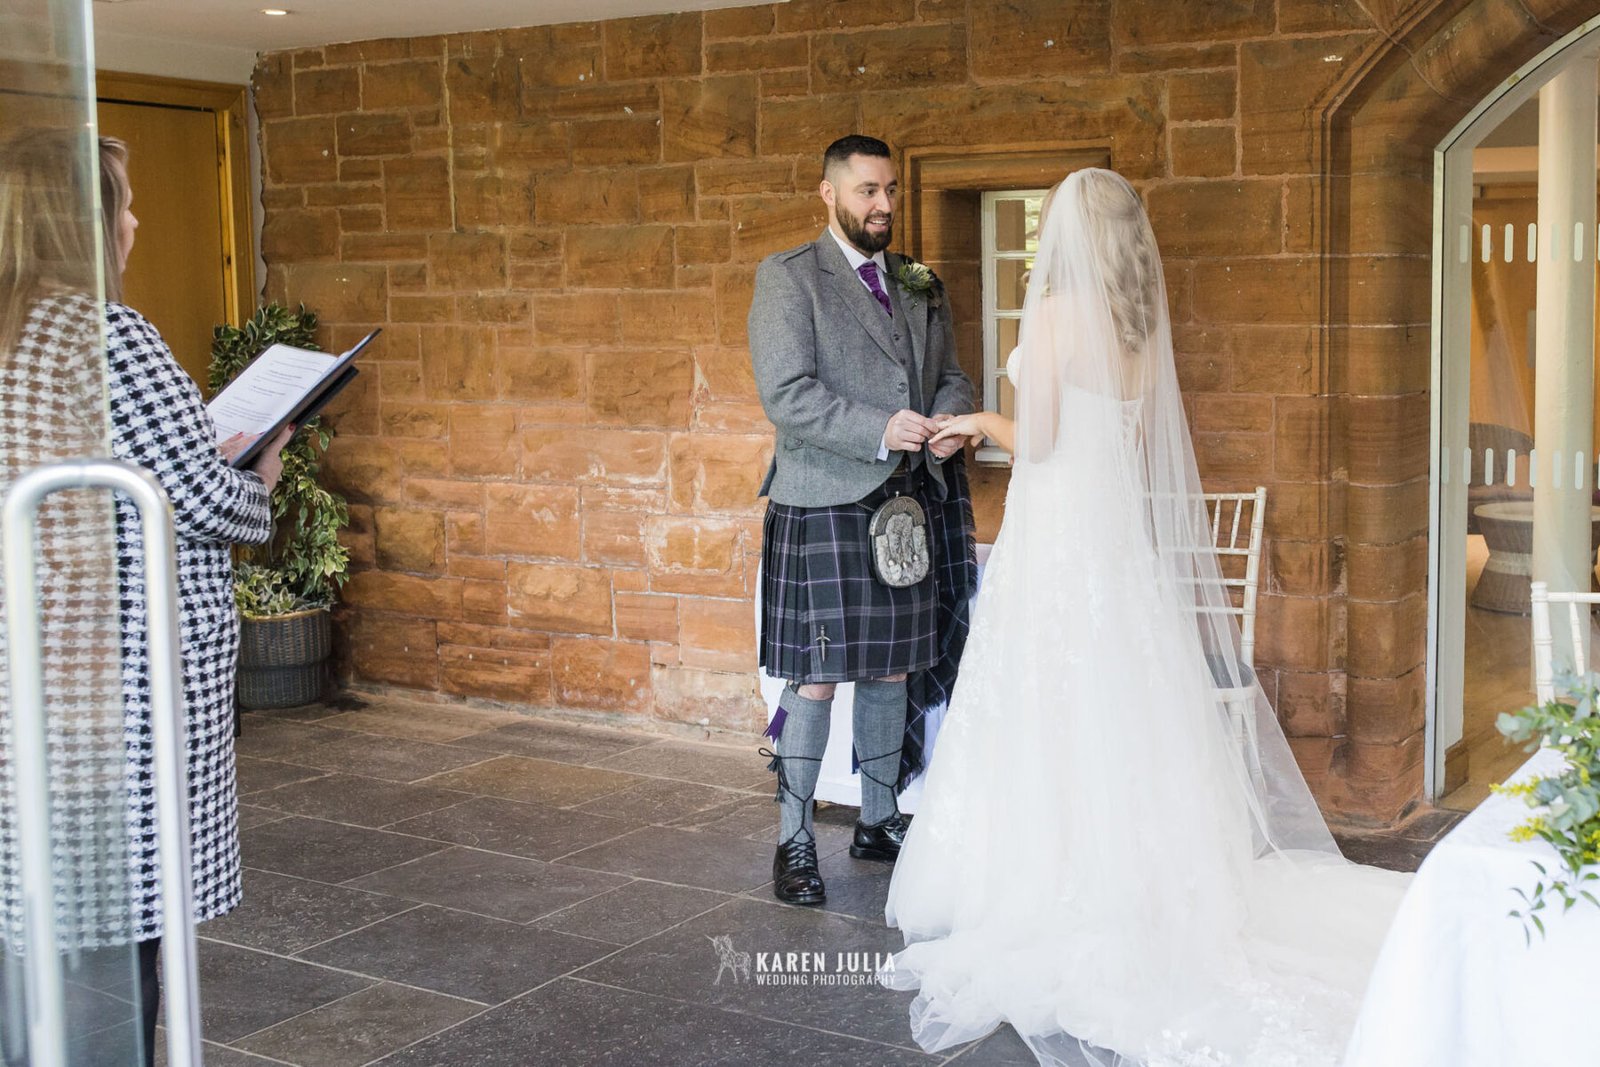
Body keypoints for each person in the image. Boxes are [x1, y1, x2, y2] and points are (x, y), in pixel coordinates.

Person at [880, 169, 1410, 1066]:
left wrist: (971, 418)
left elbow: (1040, 438)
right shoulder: (1136, 321)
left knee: (1049, 701)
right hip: (1112, 533)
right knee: (1120, 697)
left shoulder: (1052, 316)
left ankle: (1051, 885)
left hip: (1058, 533)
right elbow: (1108, 433)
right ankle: (1145, 880)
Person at [0, 130, 289, 1065]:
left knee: (43, 903)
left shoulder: (12, 328)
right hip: (119, 670)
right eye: (120, 203)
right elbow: (196, 497)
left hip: (36, 659)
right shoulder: (103, 331)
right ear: (76, 222)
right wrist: (263, 470)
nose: (135, 220)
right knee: (126, 915)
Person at [748, 134, 978, 906]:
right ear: (829, 193)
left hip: (904, 507)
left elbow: (949, 373)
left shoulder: (918, 283)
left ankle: (879, 821)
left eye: (889, 192)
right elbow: (788, 394)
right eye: (866, 192)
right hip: (823, 501)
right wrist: (883, 427)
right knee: (813, 678)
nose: (882, 205)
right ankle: (794, 842)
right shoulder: (788, 279)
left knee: (890, 666)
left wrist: (947, 419)